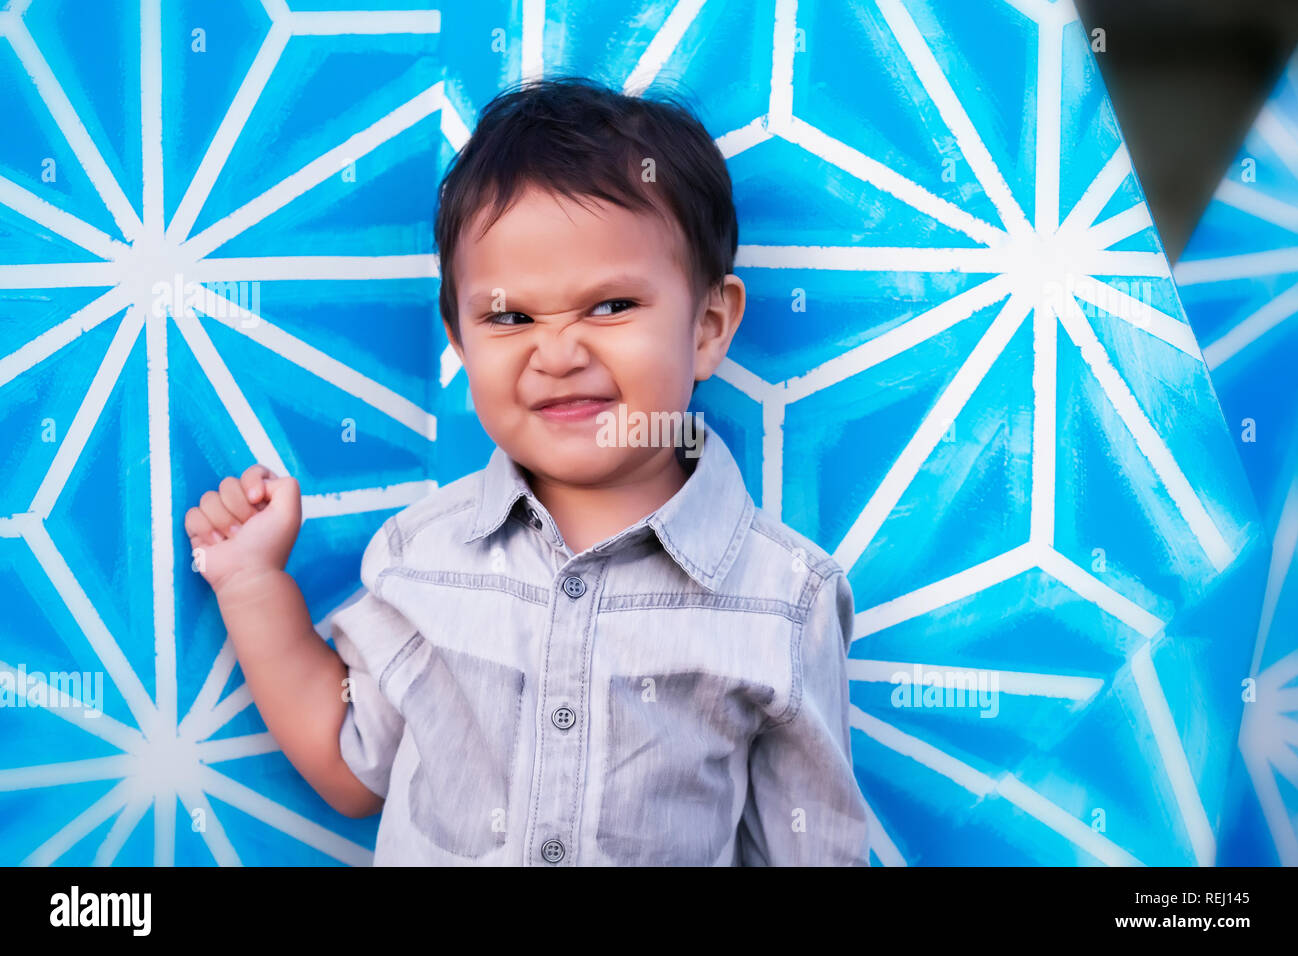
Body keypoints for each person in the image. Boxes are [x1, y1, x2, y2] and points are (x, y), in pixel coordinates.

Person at [186, 75, 870, 866]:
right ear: (460, 338)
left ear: (709, 326)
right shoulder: (424, 553)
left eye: (611, 307)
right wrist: (250, 584)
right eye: (509, 317)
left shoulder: (786, 599)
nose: (558, 353)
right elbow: (350, 762)